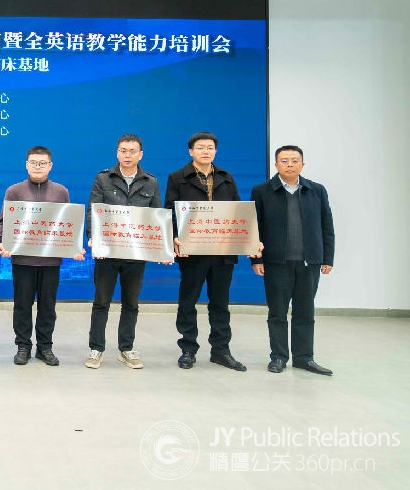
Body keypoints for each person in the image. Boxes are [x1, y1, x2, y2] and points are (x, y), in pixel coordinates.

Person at [165, 132, 248, 372]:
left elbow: (238, 212)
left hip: (223, 251)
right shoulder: (178, 178)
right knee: (188, 301)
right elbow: (170, 211)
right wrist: (175, 237)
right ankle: (188, 349)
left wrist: (248, 240)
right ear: (191, 151)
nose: (205, 151)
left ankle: (221, 350)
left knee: (220, 303)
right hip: (192, 251)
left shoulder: (226, 177)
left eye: (210, 147)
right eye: (200, 147)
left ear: (215, 151)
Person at [0, 146, 85, 367]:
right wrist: (3, 242)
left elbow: (68, 224)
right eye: (34, 163)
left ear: (50, 166)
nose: (38, 167)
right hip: (22, 260)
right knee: (22, 305)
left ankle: (45, 347)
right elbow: (3, 223)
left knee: (48, 306)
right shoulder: (14, 191)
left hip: (51, 261)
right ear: (26, 165)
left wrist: (74, 247)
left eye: (42, 163)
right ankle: (23, 346)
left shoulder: (61, 192)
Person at [251, 145, 335, 376]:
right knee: (277, 313)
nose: (289, 165)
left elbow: (327, 226)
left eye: (294, 160)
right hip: (276, 263)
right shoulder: (262, 191)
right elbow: (254, 227)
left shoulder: (316, 190)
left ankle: (304, 357)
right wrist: (256, 259)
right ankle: (278, 357)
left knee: (305, 312)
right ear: (276, 164)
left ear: (302, 164)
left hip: (309, 263)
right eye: (284, 161)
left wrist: (327, 257)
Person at [84, 134, 162, 370]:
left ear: (141, 154)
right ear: (117, 153)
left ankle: (126, 349)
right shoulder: (103, 178)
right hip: (107, 252)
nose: (127, 155)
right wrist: (93, 238)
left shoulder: (151, 182)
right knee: (101, 302)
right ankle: (96, 349)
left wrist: (161, 247)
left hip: (135, 254)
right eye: (123, 151)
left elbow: (157, 216)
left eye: (132, 151)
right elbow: (93, 211)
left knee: (131, 302)